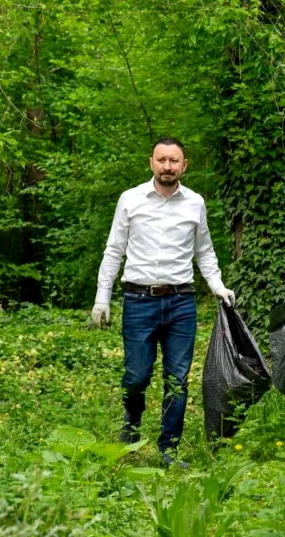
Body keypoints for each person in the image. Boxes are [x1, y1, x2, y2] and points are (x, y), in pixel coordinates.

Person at [91, 137, 235, 466]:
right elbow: (114, 250)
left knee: (177, 379)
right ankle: (132, 420)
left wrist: (218, 286)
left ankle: (168, 449)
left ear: (184, 166)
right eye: (161, 160)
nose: (167, 166)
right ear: (151, 163)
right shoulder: (130, 200)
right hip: (138, 301)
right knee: (137, 376)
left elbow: (204, 251)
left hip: (181, 303)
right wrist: (103, 298)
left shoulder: (195, 203)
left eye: (174, 161)